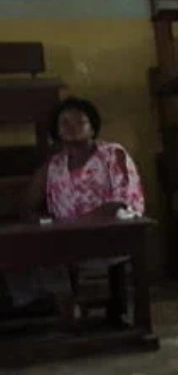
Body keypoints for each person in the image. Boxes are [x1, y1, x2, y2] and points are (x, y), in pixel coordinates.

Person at [3, 97, 146, 319]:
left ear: (93, 128)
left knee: (54, 250)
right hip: (64, 241)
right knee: (24, 249)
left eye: (80, 122)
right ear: (56, 131)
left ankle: (65, 307)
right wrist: (42, 224)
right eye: (65, 123)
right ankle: (65, 304)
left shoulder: (112, 155)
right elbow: (28, 205)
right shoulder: (53, 166)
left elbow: (120, 203)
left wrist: (73, 227)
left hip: (112, 236)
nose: (72, 127)